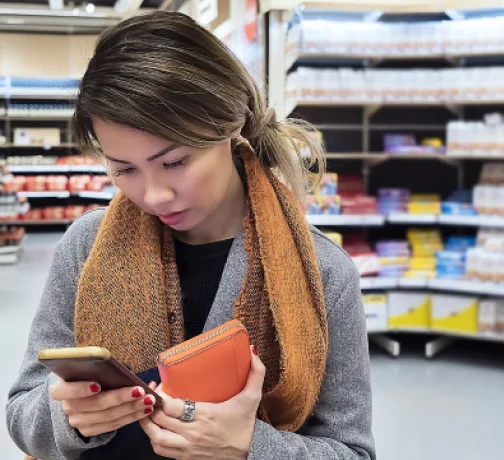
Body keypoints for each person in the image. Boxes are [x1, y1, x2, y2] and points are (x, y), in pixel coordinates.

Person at [6, 11, 375, 460]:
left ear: (228, 124)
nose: (155, 195)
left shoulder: (323, 271)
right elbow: (23, 414)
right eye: (124, 169)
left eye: (175, 162)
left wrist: (247, 447)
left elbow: (352, 452)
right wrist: (70, 418)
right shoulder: (87, 245)